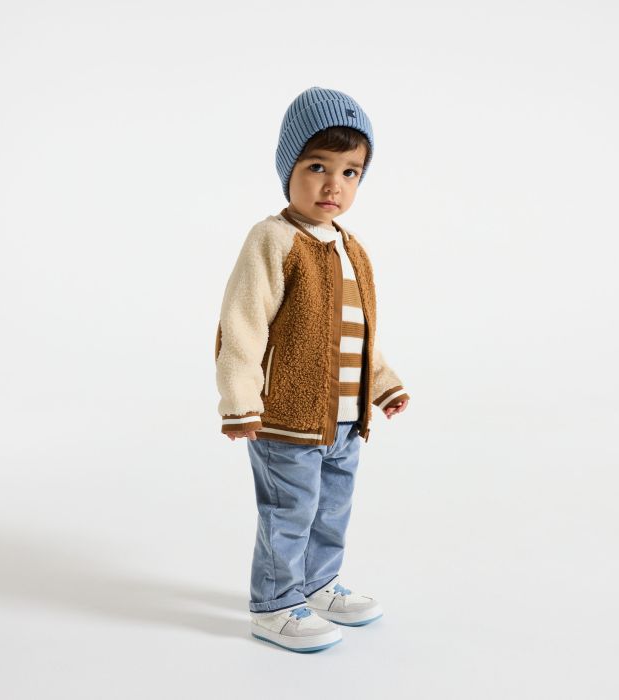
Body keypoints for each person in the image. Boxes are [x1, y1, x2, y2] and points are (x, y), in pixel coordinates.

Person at [214, 86, 410, 653]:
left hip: (344, 421)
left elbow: (360, 333)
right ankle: (275, 605)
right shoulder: (273, 239)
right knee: (289, 511)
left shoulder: (353, 248)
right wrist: (240, 400)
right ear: (288, 169)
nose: (333, 185)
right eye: (317, 167)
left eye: (351, 172)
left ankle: (318, 585)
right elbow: (241, 323)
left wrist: (382, 385)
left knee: (331, 510)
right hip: (286, 418)